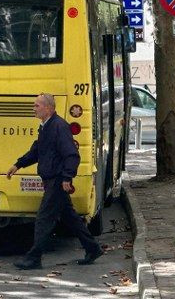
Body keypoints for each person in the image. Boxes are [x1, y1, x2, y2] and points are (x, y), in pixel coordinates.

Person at [7, 93, 103, 270]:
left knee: (43, 218)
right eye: (34, 105)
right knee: (70, 217)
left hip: (57, 180)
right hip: (52, 179)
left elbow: (72, 155)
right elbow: (37, 150)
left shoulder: (59, 126)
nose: (33, 108)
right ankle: (93, 248)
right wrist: (18, 164)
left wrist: (67, 177)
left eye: (37, 105)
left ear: (49, 108)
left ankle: (34, 257)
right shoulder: (45, 127)